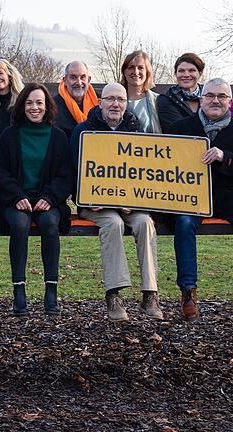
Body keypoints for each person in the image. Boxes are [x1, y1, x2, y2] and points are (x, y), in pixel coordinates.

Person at [168, 78, 233, 321]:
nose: (215, 100)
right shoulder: (181, 128)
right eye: (210, 95)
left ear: (229, 101)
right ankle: (188, 291)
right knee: (183, 222)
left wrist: (226, 157)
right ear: (201, 99)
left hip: (229, 194)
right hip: (190, 194)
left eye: (221, 96)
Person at [69, 83, 162, 321]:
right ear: (100, 103)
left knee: (144, 223)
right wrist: (87, 198)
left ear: (126, 104)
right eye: (110, 99)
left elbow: (145, 175)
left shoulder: (137, 132)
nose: (115, 104)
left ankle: (150, 294)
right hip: (96, 205)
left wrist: (136, 201)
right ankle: (114, 295)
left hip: (130, 204)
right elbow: (72, 171)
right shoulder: (83, 131)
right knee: (114, 224)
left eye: (120, 100)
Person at [0, 83, 74, 316]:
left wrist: (49, 197)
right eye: (29, 102)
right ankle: (19, 290)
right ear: (22, 106)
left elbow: (65, 175)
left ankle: (51, 290)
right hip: (15, 200)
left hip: (47, 201)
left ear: (47, 105)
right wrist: (17, 196)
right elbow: (1, 173)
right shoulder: (9, 135)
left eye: (39, 102)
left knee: (50, 223)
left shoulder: (58, 137)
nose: (34, 107)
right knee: (19, 224)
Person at [157, 53, 205, 133]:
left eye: (191, 70)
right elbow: (176, 129)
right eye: (181, 71)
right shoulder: (166, 99)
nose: (186, 75)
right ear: (176, 74)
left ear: (200, 73)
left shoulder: (209, 97)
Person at [53, 61, 99, 139]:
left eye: (83, 77)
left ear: (88, 80)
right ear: (65, 80)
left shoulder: (100, 102)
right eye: (73, 77)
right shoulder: (53, 106)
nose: (79, 82)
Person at [121, 50, 161, 134]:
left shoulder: (158, 101)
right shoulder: (114, 101)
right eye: (131, 67)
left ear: (147, 72)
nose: (135, 72)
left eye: (140, 68)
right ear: (124, 72)